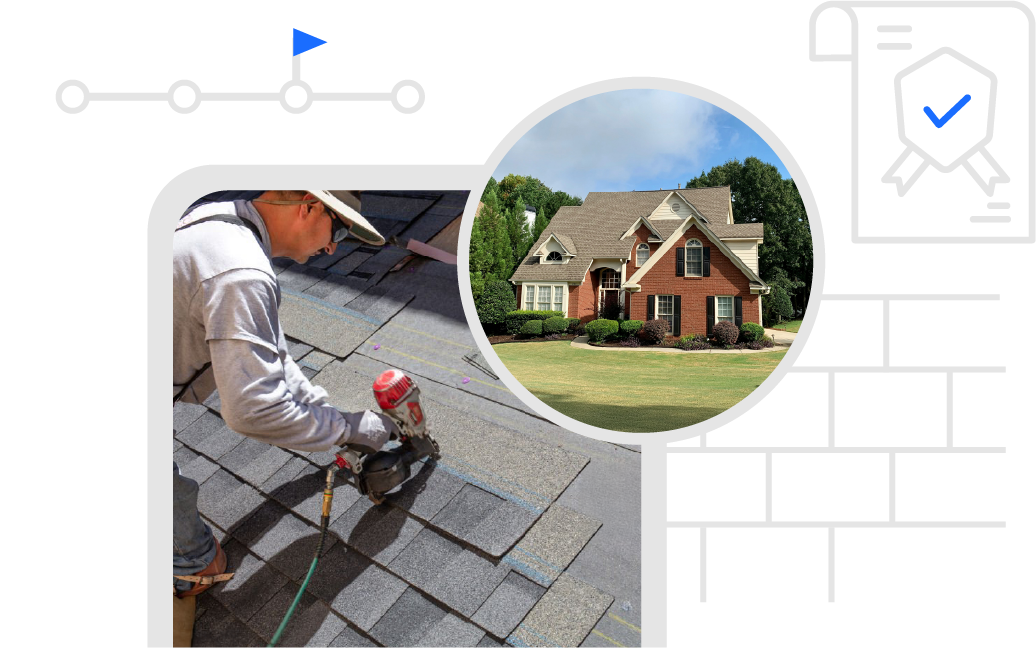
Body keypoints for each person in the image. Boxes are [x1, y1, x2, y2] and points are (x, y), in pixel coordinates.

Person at [172, 190, 395, 600]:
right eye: (340, 231)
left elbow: (269, 355)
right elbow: (254, 409)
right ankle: (189, 571)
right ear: (309, 205)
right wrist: (345, 428)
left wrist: (328, 415)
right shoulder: (240, 272)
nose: (331, 247)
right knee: (201, 561)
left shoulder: (218, 220)